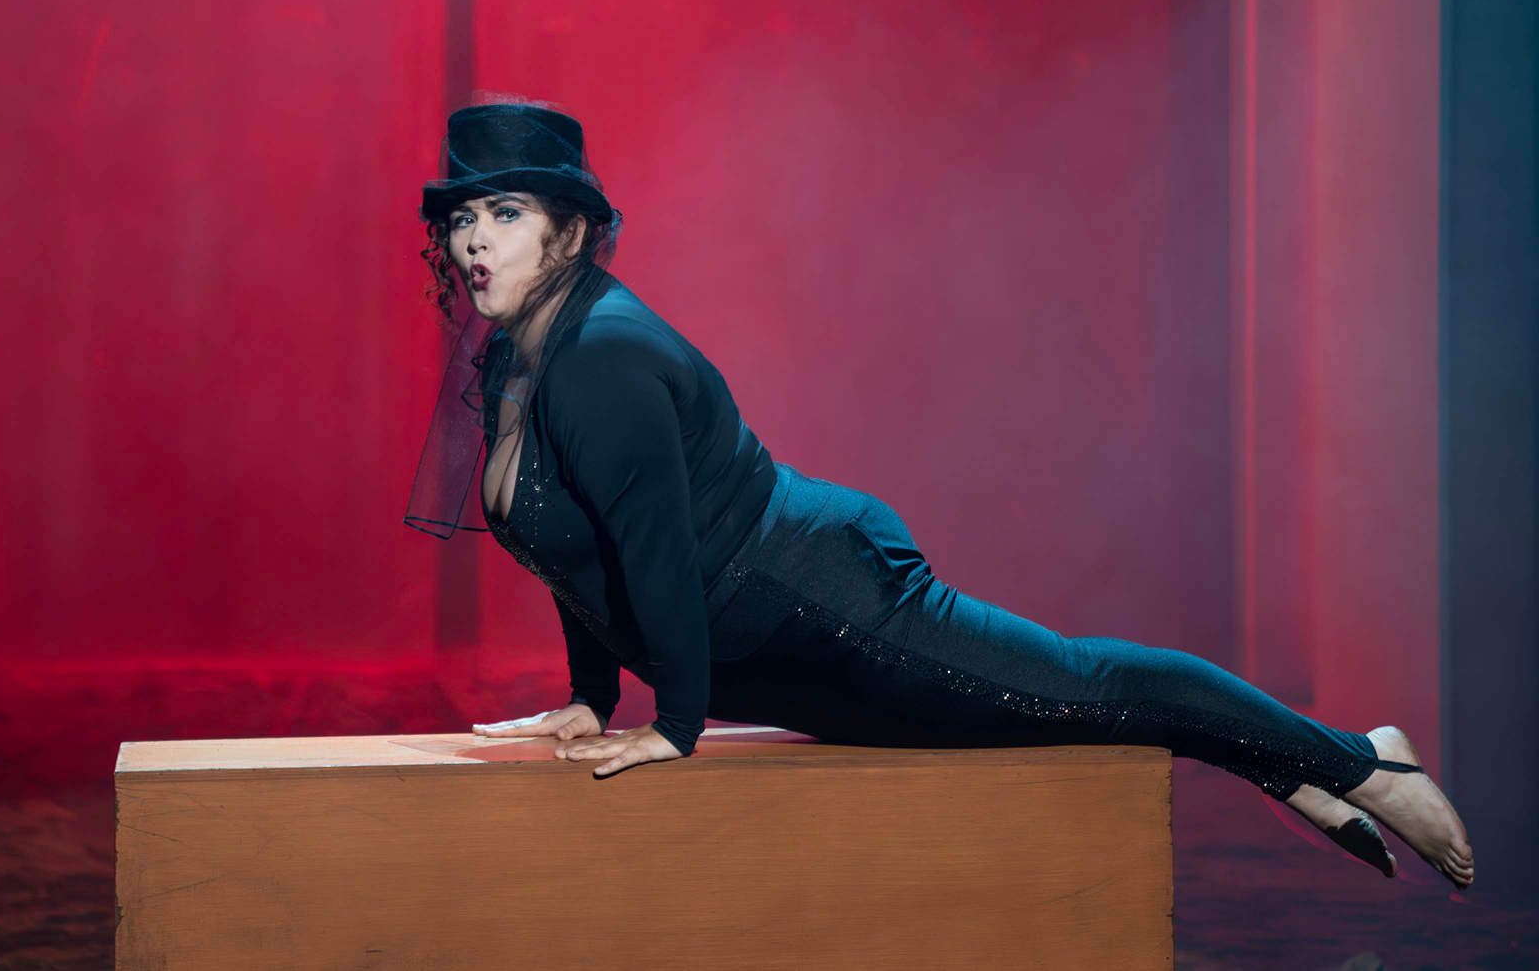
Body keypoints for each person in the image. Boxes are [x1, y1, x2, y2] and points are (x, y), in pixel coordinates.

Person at [403, 101, 1474, 890]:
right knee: (1040, 722)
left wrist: (672, 726)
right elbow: (576, 546)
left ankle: (1363, 759)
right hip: (763, 646)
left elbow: (654, 552)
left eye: (506, 213)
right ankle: (1288, 764)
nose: (476, 240)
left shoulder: (601, 358)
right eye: (463, 218)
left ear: (570, 233)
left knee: (1077, 689)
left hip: (825, 600)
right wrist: (593, 697)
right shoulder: (517, 357)